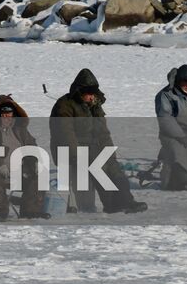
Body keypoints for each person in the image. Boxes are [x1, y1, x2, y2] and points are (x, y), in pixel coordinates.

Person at [49, 68, 147, 213]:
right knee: (98, 166)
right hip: (71, 149)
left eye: (92, 93)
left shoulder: (95, 106)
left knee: (114, 167)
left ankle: (126, 201)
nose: (90, 97)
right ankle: (112, 204)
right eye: (87, 93)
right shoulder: (64, 105)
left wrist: (109, 153)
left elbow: (103, 133)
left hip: (94, 146)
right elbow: (65, 134)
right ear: (79, 92)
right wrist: (77, 154)